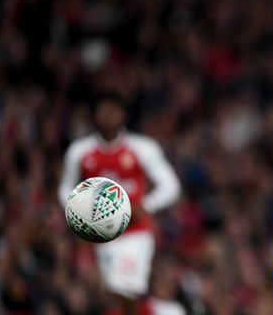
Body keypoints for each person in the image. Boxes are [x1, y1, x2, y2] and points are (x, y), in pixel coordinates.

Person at [59, 91, 183, 315]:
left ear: (123, 115)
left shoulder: (142, 148)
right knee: (109, 297)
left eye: (113, 110)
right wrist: (78, 214)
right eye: (103, 109)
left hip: (134, 233)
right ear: (94, 115)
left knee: (122, 292)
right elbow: (64, 189)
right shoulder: (80, 152)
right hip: (98, 235)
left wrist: (147, 205)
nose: (108, 115)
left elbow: (171, 185)